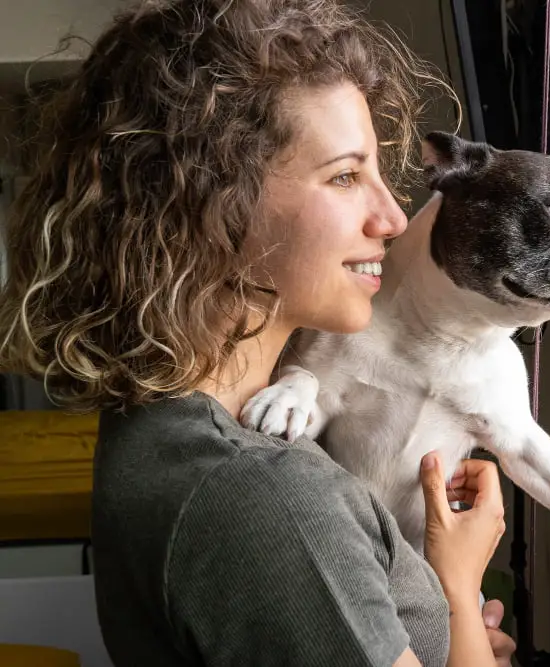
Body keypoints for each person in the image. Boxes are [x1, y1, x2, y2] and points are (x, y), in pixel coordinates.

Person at [0, 1, 515, 665]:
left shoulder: (159, 423)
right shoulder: (268, 499)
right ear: (216, 207)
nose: (391, 216)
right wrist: (457, 589)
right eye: (346, 175)